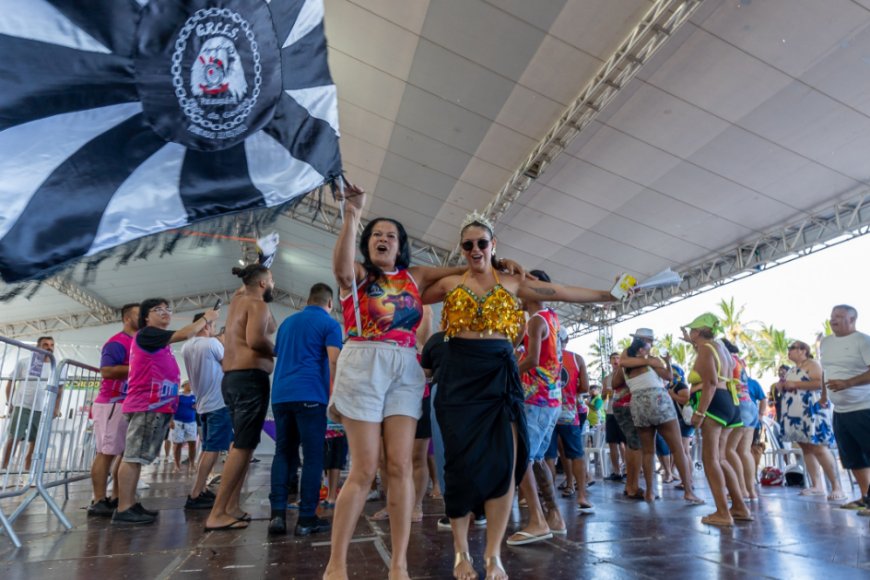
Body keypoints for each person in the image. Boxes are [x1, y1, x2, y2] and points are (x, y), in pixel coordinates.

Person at [323, 187, 519, 580]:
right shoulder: (359, 275)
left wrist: (499, 263)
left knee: (400, 465)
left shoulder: (416, 276)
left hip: (405, 367)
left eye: (391, 235)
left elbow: (471, 269)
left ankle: (399, 565)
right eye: (376, 234)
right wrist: (351, 214)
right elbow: (341, 271)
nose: (383, 239)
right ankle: (336, 566)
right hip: (364, 360)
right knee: (364, 468)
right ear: (367, 242)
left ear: (401, 246)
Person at [422, 213, 615, 580]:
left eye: (482, 243)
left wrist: (608, 294)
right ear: (461, 249)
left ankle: (492, 555)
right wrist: (461, 265)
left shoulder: (513, 283)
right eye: (468, 244)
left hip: (499, 373)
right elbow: (410, 288)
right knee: (457, 466)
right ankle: (461, 553)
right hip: (458, 376)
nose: (475, 249)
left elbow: (560, 291)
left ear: (494, 245)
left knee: (504, 464)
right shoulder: (450, 282)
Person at [112, 299, 219, 525]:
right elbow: (186, 333)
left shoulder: (157, 339)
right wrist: (206, 318)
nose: (165, 313)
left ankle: (129, 504)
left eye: (167, 309)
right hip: (146, 406)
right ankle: (124, 508)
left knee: (135, 456)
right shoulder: (148, 333)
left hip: (154, 406)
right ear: (146, 317)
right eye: (158, 310)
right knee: (133, 457)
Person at [205, 264, 277, 531]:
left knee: (245, 445)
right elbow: (256, 340)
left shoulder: (239, 301)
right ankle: (217, 513)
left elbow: (270, 325)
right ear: (262, 283)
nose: (274, 285)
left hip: (233, 379)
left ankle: (231, 506)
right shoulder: (256, 304)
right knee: (242, 446)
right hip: (249, 379)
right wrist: (280, 350)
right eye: (271, 280)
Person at [268, 282, 342, 536]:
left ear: (308, 300)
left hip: (281, 395)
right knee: (312, 456)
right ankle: (306, 518)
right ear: (330, 303)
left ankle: (277, 516)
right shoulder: (330, 324)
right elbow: (334, 360)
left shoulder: (287, 323)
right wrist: (337, 398)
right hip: (310, 395)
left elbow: (279, 354)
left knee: (283, 453)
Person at [508, 270, 566, 546]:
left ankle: (537, 521)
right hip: (551, 399)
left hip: (536, 398)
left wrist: (507, 373)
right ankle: (554, 515)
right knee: (538, 458)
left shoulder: (535, 321)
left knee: (523, 458)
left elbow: (531, 359)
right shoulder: (551, 317)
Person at [614, 332, 703, 504]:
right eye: (649, 344)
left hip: (639, 404)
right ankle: (688, 491)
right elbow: (668, 377)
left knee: (648, 451)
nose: (651, 346)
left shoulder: (625, 367)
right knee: (677, 448)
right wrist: (665, 362)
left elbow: (615, 381)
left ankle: (649, 492)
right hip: (659, 401)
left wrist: (664, 362)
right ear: (641, 349)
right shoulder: (651, 360)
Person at [684, 313, 750, 527]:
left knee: (711, 459)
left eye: (692, 331)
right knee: (721, 458)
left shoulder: (705, 349)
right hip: (730, 402)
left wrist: (700, 412)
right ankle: (739, 507)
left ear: (697, 332)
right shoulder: (721, 348)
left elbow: (711, 382)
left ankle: (723, 512)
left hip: (714, 403)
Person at [819, 305, 870, 513]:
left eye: (839, 316)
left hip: (864, 407)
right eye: (832, 316)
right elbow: (826, 370)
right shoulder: (826, 342)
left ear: (852, 319)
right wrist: (824, 394)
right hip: (840, 410)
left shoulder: (863, 341)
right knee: (853, 457)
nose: (833, 320)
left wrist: (848, 383)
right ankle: (865, 498)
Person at [89, 306, 139, 516]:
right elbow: (107, 370)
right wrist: (139, 367)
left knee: (125, 453)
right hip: (112, 402)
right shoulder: (117, 342)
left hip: (129, 403)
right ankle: (99, 500)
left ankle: (117, 497)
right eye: (138, 314)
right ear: (127, 318)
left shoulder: (138, 342)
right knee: (106, 453)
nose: (143, 317)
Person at [779, 340, 843, 500]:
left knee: (819, 447)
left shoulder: (813, 364)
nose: (789, 351)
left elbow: (819, 383)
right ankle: (816, 485)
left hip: (811, 410)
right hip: (796, 412)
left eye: (792, 348)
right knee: (806, 448)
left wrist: (795, 384)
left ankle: (836, 486)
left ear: (803, 350)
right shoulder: (792, 369)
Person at [181, 311, 231, 510]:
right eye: (213, 325)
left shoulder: (186, 346)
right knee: (212, 449)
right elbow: (229, 366)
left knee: (208, 448)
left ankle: (200, 489)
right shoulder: (211, 344)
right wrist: (225, 344)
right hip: (218, 403)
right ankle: (195, 493)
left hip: (203, 404)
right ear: (206, 325)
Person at [2, 336, 56, 473]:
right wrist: (10, 402)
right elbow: (11, 381)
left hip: (42, 408)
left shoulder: (55, 367)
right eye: (45, 344)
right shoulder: (24, 362)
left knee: (36, 440)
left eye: (51, 345)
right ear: (37, 347)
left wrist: (56, 408)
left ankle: (28, 469)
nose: (49, 347)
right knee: (14, 436)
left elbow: (60, 389)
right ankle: (3, 467)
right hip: (22, 405)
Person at [601, 353, 626, 481]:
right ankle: (616, 471)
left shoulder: (626, 374)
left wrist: (615, 392)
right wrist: (605, 393)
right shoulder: (607, 378)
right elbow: (602, 397)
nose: (616, 360)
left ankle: (627, 469)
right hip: (610, 412)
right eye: (613, 358)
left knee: (625, 443)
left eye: (618, 358)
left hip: (624, 411)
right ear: (610, 361)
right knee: (612, 443)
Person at [171, 381, 198, 470]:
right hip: (178, 422)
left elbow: (199, 407)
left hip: (191, 422)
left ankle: (192, 464)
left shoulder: (195, 396)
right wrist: (171, 421)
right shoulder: (178, 396)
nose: (191, 385)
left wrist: (197, 406)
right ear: (185, 385)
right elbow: (172, 408)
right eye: (189, 384)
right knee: (178, 444)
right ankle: (177, 465)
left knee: (192, 443)